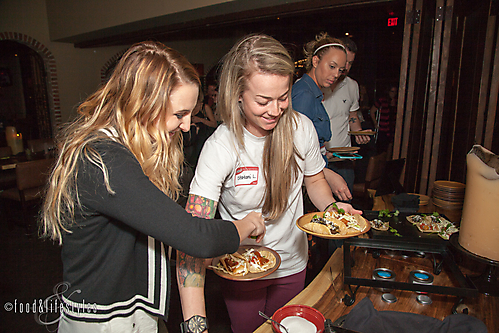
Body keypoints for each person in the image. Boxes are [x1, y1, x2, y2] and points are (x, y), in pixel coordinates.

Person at [39, 41, 265, 333]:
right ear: (143, 105)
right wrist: (245, 225)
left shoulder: (126, 148)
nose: (186, 126)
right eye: (179, 114)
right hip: (104, 319)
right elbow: (193, 236)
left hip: (135, 309)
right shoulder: (103, 159)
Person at [176, 34, 362, 333]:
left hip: (293, 262)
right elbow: (194, 231)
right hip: (243, 268)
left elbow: (314, 179)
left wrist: (332, 210)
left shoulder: (301, 128)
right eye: (263, 101)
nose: (275, 110)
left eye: (283, 97)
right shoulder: (221, 146)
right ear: (238, 93)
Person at [292, 32, 352, 202]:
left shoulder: (314, 93)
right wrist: (328, 175)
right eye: (332, 66)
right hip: (306, 181)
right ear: (316, 61)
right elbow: (294, 151)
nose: (335, 74)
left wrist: (331, 155)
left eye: (340, 70)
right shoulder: (304, 94)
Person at [321, 37, 371, 196]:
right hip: (320, 159)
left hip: (344, 160)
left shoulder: (352, 85)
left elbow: (352, 114)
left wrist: (358, 133)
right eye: (344, 62)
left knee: (345, 208)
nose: (346, 67)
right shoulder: (314, 84)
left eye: (350, 63)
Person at [370, 83, 398, 154]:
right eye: (392, 91)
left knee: (390, 147)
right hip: (383, 127)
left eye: (395, 92)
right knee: (382, 147)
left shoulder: (397, 101)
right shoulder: (382, 100)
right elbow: (372, 111)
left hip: (392, 127)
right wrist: (375, 123)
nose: (393, 94)